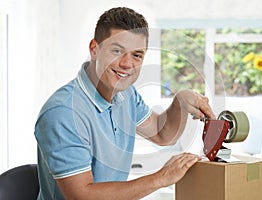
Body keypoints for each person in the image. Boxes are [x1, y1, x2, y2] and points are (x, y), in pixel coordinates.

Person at [34, 7, 215, 200]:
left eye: (137, 55)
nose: (127, 64)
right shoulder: (63, 112)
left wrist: (181, 102)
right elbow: (82, 196)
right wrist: (161, 178)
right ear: (94, 49)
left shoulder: (126, 94)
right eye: (117, 51)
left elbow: (162, 134)